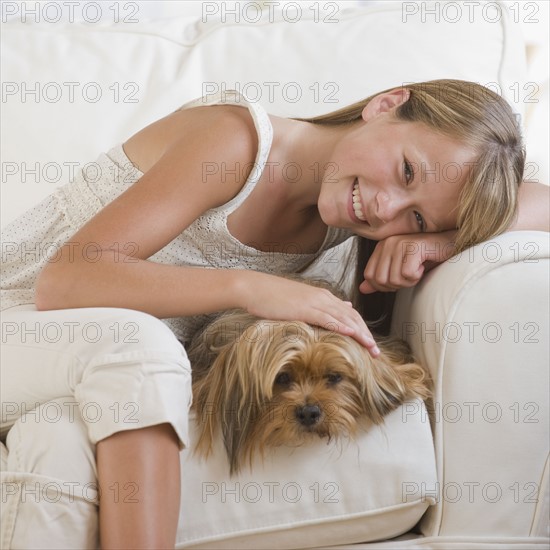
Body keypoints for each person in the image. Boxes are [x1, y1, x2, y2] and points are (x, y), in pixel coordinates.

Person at [1, 79, 548, 548]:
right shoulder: (236, 141)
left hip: (92, 386)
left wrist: (444, 242)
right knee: (140, 346)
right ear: (387, 103)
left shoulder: (353, 224)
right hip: (18, 330)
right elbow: (67, 280)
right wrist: (250, 288)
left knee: (63, 447)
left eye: (418, 218)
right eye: (407, 171)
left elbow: (540, 199)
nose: (386, 209)